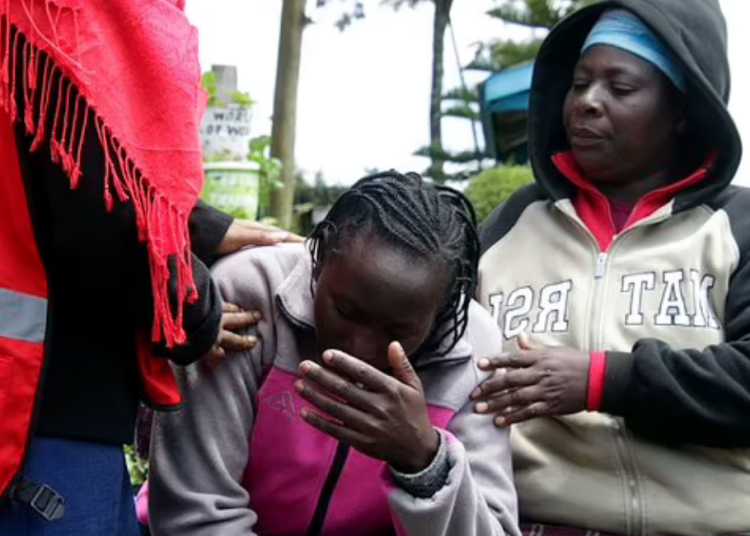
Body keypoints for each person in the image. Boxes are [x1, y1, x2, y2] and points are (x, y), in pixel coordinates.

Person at [0, 1, 298, 534]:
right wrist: (196, 311)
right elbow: (106, 219)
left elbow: (59, 149)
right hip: (45, 417)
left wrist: (199, 229)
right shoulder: (88, 11)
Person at [473, 1, 750, 535]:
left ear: (683, 108)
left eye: (620, 88)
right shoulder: (510, 224)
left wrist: (605, 380)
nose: (587, 104)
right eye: (579, 84)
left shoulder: (737, 227)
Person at [144, 171, 520, 536]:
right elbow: (197, 511)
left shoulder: (472, 349)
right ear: (319, 258)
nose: (357, 351)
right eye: (345, 311)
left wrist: (425, 462)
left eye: (398, 332)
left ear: (440, 316)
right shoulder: (249, 291)